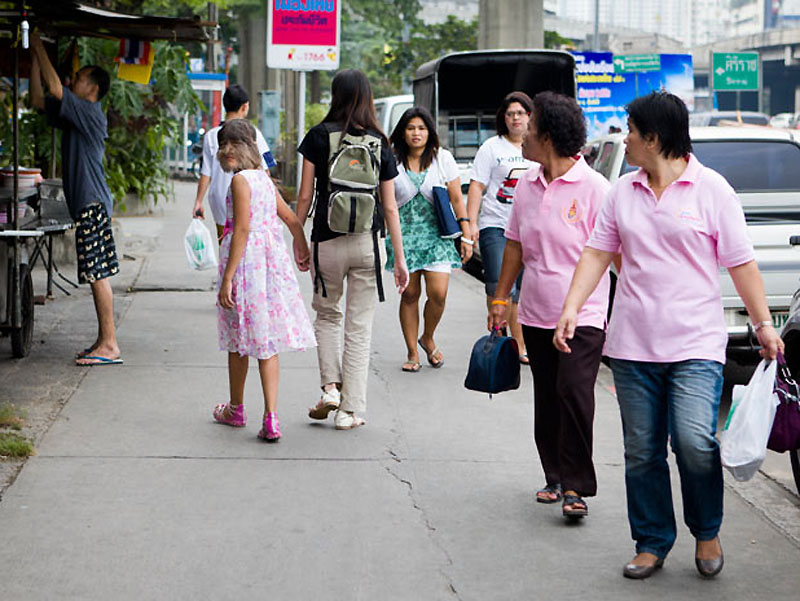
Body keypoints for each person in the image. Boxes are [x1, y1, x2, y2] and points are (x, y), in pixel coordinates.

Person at [553, 92, 784, 579]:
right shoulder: (622, 192)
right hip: (633, 344)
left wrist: (763, 324)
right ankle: (652, 540)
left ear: (654, 137)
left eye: (632, 130)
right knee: (642, 450)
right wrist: (571, 308)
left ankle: (706, 530)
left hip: (696, 343)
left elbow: (741, 263)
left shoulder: (712, 190)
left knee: (695, 441)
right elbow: (597, 254)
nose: (626, 138)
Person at [489, 92, 612, 519]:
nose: (522, 132)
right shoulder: (527, 182)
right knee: (547, 395)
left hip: (584, 314)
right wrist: (501, 297)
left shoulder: (596, 188)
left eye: (531, 125)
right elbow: (514, 243)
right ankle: (555, 475)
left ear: (551, 134)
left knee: (574, 393)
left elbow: (613, 255)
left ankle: (577, 486)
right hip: (537, 310)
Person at [296, 69, 409, 430]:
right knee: (359, 328)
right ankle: (349, 411)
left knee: (327, 315)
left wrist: (299, 239)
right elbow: (390, 206)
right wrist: (400, 259)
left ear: (335, 95)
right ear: (367, 97)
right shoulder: (380, 141)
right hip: (367, 244)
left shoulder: (317, 136)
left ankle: (330, 388)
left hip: (326, 240)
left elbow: (304, 196)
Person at [211, 119, 315, 442]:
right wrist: (300, 243)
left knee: (238, 338)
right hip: (269, 268)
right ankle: (271, 417)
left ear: (248, 149)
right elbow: (289, 217)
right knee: (265, 341)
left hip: (246, 268)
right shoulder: (265, 180)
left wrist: (228, 277)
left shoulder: (241, 181)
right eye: (223, 145)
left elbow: (241, 230)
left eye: (233, 145)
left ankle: (236, 408)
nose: (227, 150)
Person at [29, 32, 121, 367]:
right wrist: (37, 61)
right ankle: (103, 341)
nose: (73, 81)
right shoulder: (75, 115)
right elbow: (40, 98)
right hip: (89, 203)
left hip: (92, 203)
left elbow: (56, 90)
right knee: (97, 272)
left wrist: (39, 46)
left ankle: (109, 345)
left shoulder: (89, 111)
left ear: (92, 89)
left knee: (98, 273)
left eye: (80, 79)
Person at [387, 107, 473, 372]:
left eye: (421, 128)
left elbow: (457, 198)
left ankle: (428, 336)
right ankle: (413, 352)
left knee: (438, 294)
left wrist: (466, 233)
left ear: (430, 132)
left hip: (438, 236)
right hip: (405, 236)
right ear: (403, 132)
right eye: (411, 128)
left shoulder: (442, 158)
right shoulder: (392, 160)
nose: (416, 133)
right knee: (410, 294)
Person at [466, 91, 534, 364]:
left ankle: (518, 345)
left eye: (520, 113)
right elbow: (477, 186)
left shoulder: (537, 146)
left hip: (529, 226)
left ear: (530, 116)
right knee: (498, 286)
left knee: (521, 289)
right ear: (503, 119)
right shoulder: (492, 148)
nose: (515, 118)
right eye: (510, 114)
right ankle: (498, 335)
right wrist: (470, 224)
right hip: (496, 225)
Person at [192, 84, 277, 239]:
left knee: (225, 245)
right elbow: (266, 171)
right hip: (247, 200)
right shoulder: (254, 134)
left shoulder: (212, 135)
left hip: (219, 201)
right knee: (245, 245)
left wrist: (198, 201)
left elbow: (206, 172)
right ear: (244, 107)